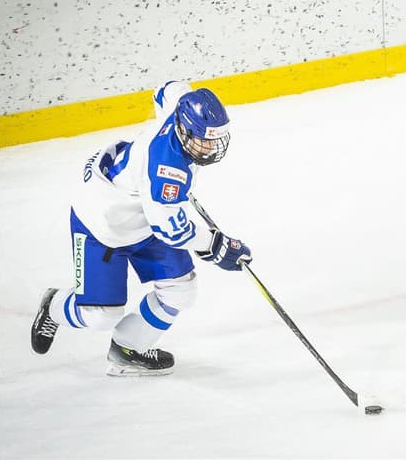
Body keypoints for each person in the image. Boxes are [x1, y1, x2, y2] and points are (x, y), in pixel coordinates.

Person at [30, 81, 252, 376]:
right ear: (184, 130)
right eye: (203, 141)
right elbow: (171, 231)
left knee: (180, 291)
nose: (211, 147)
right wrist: (215, 245)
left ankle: (127, 348)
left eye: (215, 139)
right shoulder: (165, 171)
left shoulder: (180, 108)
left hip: (141, 214)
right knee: (99, 315)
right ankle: (54, 305)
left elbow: (168, 88)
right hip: (102, 221)